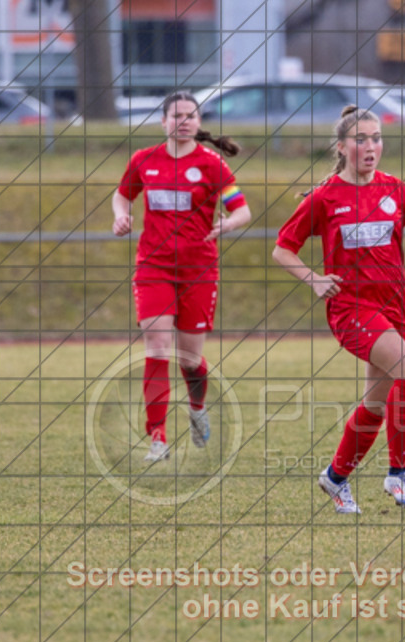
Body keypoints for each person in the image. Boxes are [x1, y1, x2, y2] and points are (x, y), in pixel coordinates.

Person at [272, 105, 405, 513]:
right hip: (351, 309)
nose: (371, 147)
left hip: (395, 308)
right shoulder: (325, 198)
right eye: (361, 139)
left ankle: (335, 479)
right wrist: (315, 279)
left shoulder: (396, 191)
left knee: (375, 404)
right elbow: (282, 250)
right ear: (342, 147)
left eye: (376, 138)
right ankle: (398, 473)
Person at [112, 92, 251, 463]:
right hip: (153, 268)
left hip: (198, 270)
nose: (184, 121)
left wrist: (229, 223)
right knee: (157, 346)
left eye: (191, 115)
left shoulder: (212, 165)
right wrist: (120, 215)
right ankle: (157, 438)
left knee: (190, 360)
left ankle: (197, 406)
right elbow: (122, 195)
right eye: (177, 115)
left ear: (198, 122)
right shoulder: (144, 161)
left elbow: (242, 209)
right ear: (163, 122)